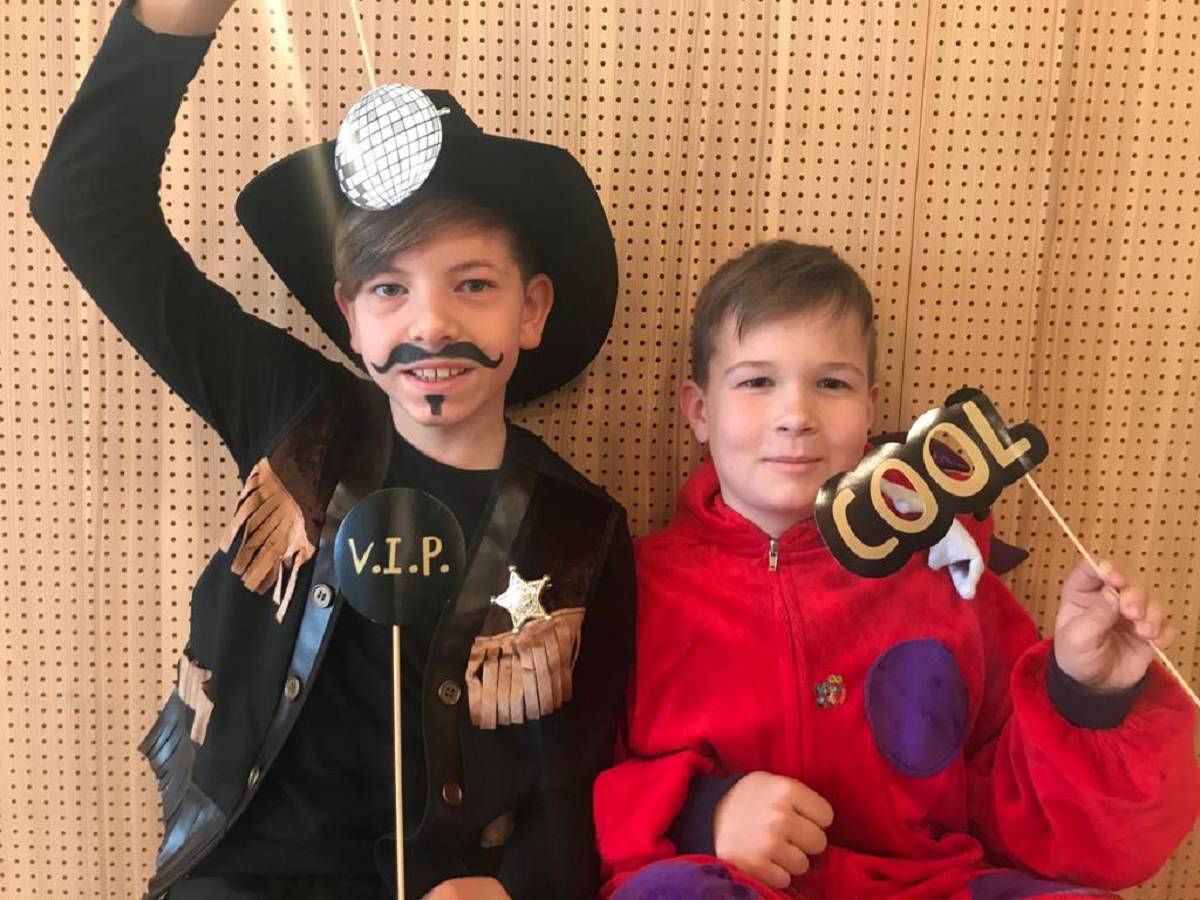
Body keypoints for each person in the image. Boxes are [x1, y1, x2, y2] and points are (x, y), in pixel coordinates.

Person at [31, 1, 634, 898]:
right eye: (390, 288)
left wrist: (515, 886)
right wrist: (177, 19)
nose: (431, 324)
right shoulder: (296, 416)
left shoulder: (582, 530)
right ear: (350, 316)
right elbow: (85, 205)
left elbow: (579, 786)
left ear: (532, 309)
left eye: (473, 284)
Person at [592, 240, 1198, 899]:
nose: (796, 417)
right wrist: (702, 814)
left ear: (871, 408)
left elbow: (1064, 840)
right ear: (699, 411)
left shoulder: (949, 580)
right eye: (756, 382)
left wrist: (1087, 695)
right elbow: (570, 786)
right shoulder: (636, 587)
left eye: (832, 383)